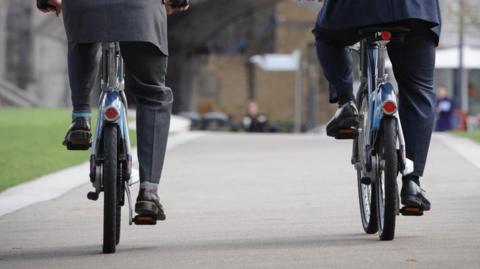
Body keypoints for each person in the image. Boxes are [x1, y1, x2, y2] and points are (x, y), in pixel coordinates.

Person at [38, 0, 189, 221]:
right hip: (140, 11)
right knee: (153, 95)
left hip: (85, 9)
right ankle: (148, 191)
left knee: (82, 33)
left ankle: (80, 119)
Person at [313, 0, 442, 213]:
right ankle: (412, 182)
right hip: (417, 11)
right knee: (418, 91)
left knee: (326, 35)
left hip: (358, 9)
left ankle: (347, 104)